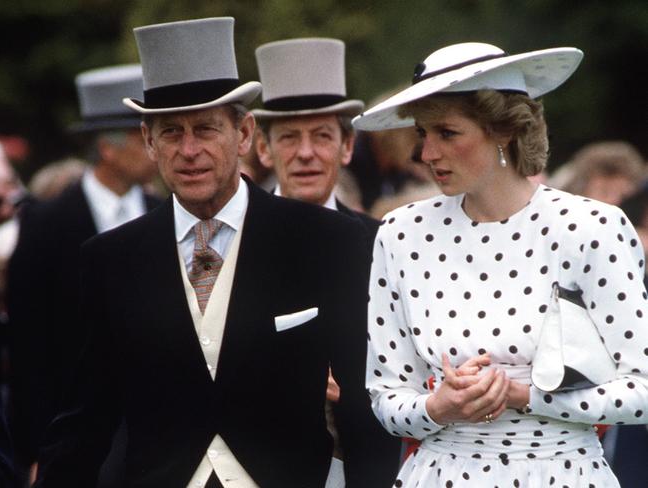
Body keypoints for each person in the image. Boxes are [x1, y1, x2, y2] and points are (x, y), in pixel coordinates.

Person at [33, 17, 383, 488]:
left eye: (205, 128)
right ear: (148, 141)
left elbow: (363, 407)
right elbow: (84, 422)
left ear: (243, 135)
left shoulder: (327, 240)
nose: (190, 149)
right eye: (172, 132)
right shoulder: (110, 259)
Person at [352, 42, 648, 487]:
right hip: (440, 474)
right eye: (422, 134)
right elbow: (386, 397)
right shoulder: (400, 233)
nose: (427, 153)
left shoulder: (592, 227)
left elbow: (642, 390)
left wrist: (524, 396)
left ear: (503, 131)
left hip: (561, 473)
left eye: (447, 133)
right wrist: (438, 407)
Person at [252, 37, 401, 487]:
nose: (305, 153)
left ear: (347, 146)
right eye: (289, 137)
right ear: (263, 148)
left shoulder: (383, 245)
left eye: (321, 136)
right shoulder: (234, 243)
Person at [7, 64, 161, 484]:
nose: (154, 147)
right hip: (76, 438)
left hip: (157, 437)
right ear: (107, 148)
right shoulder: (47, 224)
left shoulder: (162, 214)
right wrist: (40, 448)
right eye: (139, 135)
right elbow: (29, 349)